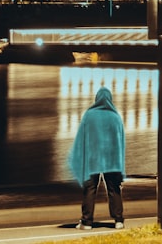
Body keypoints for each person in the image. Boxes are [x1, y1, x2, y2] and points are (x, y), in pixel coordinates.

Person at [67, 86, 126, 229]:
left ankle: (87, 221)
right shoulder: (115, 116)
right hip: (111, 159)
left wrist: (76, 155)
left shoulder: (89, 115)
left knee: (90, 188)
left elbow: (82, 137)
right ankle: (118, 220)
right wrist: (120, 163)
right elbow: (120, 141)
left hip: (93, 159)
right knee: (114, 188)